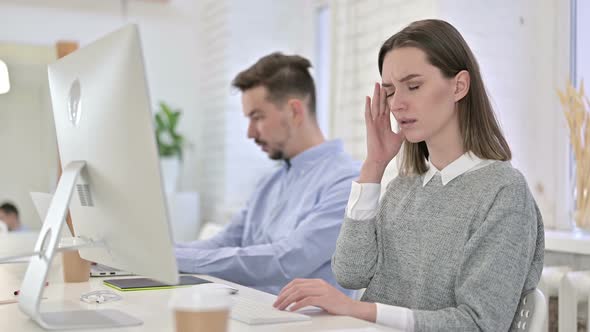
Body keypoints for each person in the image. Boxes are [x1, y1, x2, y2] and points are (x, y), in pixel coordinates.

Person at [273, 19, 544, 331]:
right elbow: (350, 272)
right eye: (389, 91)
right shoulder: (405, 186)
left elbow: (478, 324)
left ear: (459, 86)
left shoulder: (503, 193)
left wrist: (361, 311)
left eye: (414, 86)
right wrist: (373, 166)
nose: (397, 104)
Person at [175, 53, 361, 295]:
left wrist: (175, 260)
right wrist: (160, 253)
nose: (250, 133)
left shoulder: (348, 182)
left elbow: (287, 260)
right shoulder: (270, 182)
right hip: (253, 313)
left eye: (257, 117)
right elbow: (224, 242)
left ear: (294, 111)